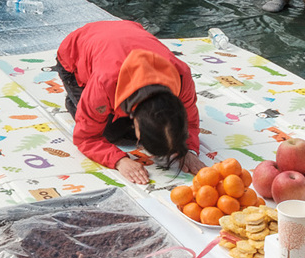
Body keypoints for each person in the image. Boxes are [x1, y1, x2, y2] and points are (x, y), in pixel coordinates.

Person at [55, 21, 204, 184]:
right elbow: (86, 137)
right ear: (136, 123)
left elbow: (190, 121)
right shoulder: (105, 84)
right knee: (110, 132)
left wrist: (187, 149)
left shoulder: (182, 76)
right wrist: (120, 161)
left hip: (123, 36)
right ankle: (74, 101)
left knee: (147, 132)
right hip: (74, 55)